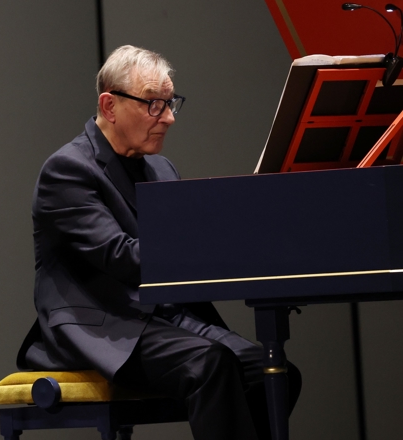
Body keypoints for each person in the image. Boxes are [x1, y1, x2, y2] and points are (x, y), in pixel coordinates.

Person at [17, 45, 301, 440]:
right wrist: (215, 243)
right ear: (110, 105)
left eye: (170, 104)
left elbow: (182, 246)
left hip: (165, 317)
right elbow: (120, 257)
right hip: (103, 323)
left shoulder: (161, 168)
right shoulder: (67, 170)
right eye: (154, 104)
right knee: (210, 363)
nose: (168, 117)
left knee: (272, 373)